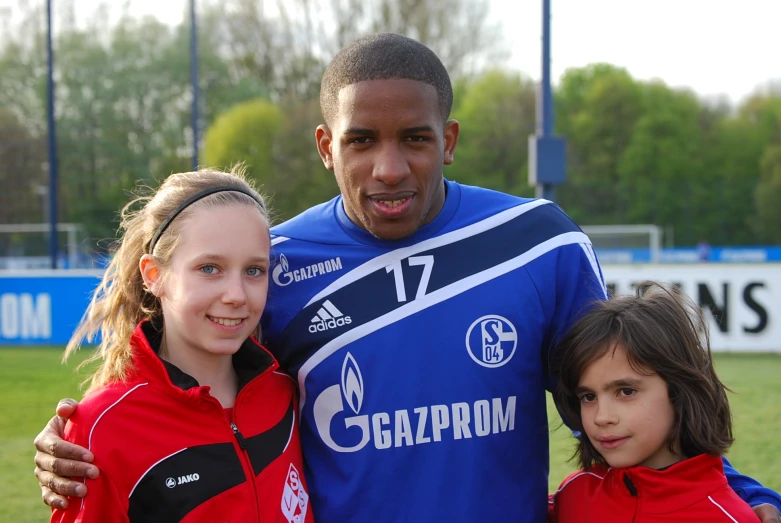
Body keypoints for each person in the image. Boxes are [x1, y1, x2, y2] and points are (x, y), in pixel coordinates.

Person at [34, 34, 781, 523]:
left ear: (448, 139)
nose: (388, 168)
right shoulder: (273, 265)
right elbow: (188, 396)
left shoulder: (539, 245)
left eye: (414, 139)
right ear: (327, 145)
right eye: (361, 141)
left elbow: (639, 411)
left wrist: (745, 498)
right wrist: (78, 444)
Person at [49, 168, 312, 522]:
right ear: (154, 275)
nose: (236, 295)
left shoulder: (286, 391)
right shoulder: (102, 427)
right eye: (209, 268)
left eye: (253, 270)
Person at [548, 282, 760, 522]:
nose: (601, 417)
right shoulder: (572, 495)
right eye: (588, 397)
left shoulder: (728, 516)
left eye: (626, 391)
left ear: (680, 390)